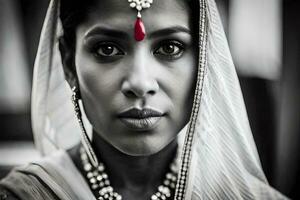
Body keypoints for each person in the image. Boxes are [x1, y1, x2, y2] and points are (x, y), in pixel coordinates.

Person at [0, 0, 289, 199]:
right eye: (107, 49)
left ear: (206, 59)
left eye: (170, 47)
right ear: (68, 63)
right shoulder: (25, 195)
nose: (140, 82)